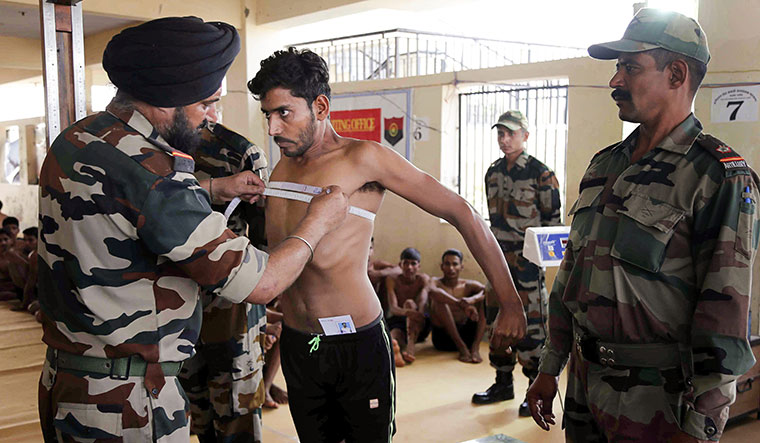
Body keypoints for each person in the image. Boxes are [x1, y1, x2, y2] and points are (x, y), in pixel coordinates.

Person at [36, 17, 348, 442]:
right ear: (168, 100)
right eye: (206, 104)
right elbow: (262, 283)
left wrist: (214, 188)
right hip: (126, 405)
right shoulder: (158, 173)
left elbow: (124, 207)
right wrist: (319, 221)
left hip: (66, 384)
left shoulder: (76, 140)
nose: (212, 118)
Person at [248, 47, 526, 443]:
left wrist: (511, 301)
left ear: (321, 106)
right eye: (268, 115)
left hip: (356, 343)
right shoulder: (281, 166)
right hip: (301, 342)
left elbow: (462, 211)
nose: (273, 128)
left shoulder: (364, 158)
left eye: (284, 113)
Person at [527, 9, 760, 442]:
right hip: (585, 386)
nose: (615, 81)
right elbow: (571, 276)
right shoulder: (604, 165)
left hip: (659, 400)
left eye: (630, 67)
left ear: (676, 74)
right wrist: (550, 365)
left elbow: (725, 314)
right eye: (617, 67)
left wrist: (702, 425)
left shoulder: (717, 175)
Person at [177, 122, 271, 442]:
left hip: (230, 306)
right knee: (195, 409)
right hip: (174, 305)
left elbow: (263, 240)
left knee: (235, 411)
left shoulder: (239, 153)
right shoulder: (149, 147)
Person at [471, 110, 561, 417]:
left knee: (532, 327)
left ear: (525, 135)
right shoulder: (493, 172)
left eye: (510, 133)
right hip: (498, 261)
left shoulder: (541, 174)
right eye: (500, 134)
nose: (504, 139)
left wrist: (540, 263)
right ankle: (502, 382)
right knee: (496, 319)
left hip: (527, 263)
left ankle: (533, 389)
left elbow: (553, 223)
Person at [429, 249, 486, 363]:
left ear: (461, 267)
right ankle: (461, 348)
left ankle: (475, 348)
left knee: (484, 301)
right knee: (438, 301)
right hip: (443, 339)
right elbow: (433, 291)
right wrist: (462, 305)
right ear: (442, 266)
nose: (451, 268)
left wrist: (472, 299)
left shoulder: (468, 285)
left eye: (455, 264)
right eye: (447, 264)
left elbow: (487, 291)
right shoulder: (435, 282)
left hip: (467, 336)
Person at [385, 247, 432, 365]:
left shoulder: (423, 279)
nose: (409, 267)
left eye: (413, 264)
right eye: (406, 263)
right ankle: (397, 352)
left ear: (418, 266)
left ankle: (410, 347)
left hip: (419, 324)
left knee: (410, 303)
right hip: (400, 320)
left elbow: (422, 301)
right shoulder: (392, 279)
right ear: (400, 265)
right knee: (393, 336)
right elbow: (393, 308)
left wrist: (416, 314)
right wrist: (408, 313)